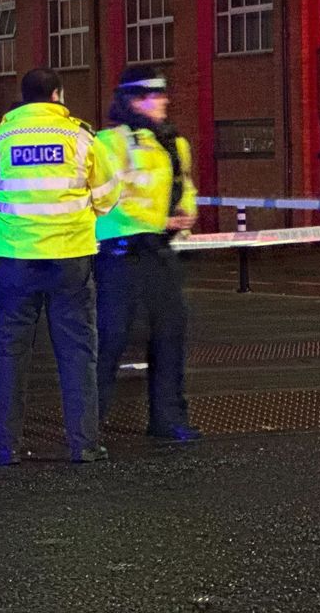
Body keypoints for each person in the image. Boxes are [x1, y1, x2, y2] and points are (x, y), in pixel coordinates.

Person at [0, 67, 120, 465]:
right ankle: (84, 445)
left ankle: (3, 447)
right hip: (70, 260)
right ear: (57, 95)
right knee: (77, 353)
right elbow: (107, 197)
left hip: (16, 260)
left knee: (10, 353)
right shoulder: (81, 138)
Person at [95, 66, 201, 441]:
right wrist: (160, 220)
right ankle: (89, 425)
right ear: (133, 100)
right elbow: (107, 197)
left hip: (159, 251)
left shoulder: (175, 143)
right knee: (110, 338)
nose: (164, 101)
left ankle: (168, 419)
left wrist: (185, 217)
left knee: (170, 334)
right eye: (155, 96)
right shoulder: (108, 142)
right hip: (119, 252)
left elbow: (184, 187)